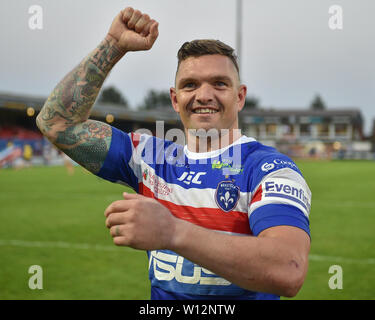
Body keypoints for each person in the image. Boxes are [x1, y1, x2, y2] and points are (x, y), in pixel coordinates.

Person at [36, 6, 312, 300]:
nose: (203, 95)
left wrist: (173, 233)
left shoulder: (269, 168)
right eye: (190, 85)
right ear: (175, 99)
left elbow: (289, 269)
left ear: (240, 96)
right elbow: (56, 123)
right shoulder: (148, 158)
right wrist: (113, 46)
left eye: (219, 83)